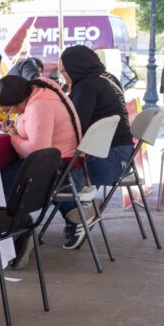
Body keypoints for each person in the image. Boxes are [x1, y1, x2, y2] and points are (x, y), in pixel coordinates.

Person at [0, 75, 85, 250]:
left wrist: (14, 138)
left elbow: (38, 151)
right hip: (69, 163)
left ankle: (20, 232)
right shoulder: (42, 90)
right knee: (5, 175)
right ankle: (24, 227)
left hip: (61, 170)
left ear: (20, 102)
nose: (11, 114)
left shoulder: (38, 106)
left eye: (9, 110)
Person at [59, 46, 134, 223]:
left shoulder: (87, 86)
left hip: (107, 163)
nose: (62, 74)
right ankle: (78, 213)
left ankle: (77, 214)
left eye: (64, 70)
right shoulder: (104, 79)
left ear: (75, 68)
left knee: (52, 173)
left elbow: (75, 125)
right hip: (121, 158)